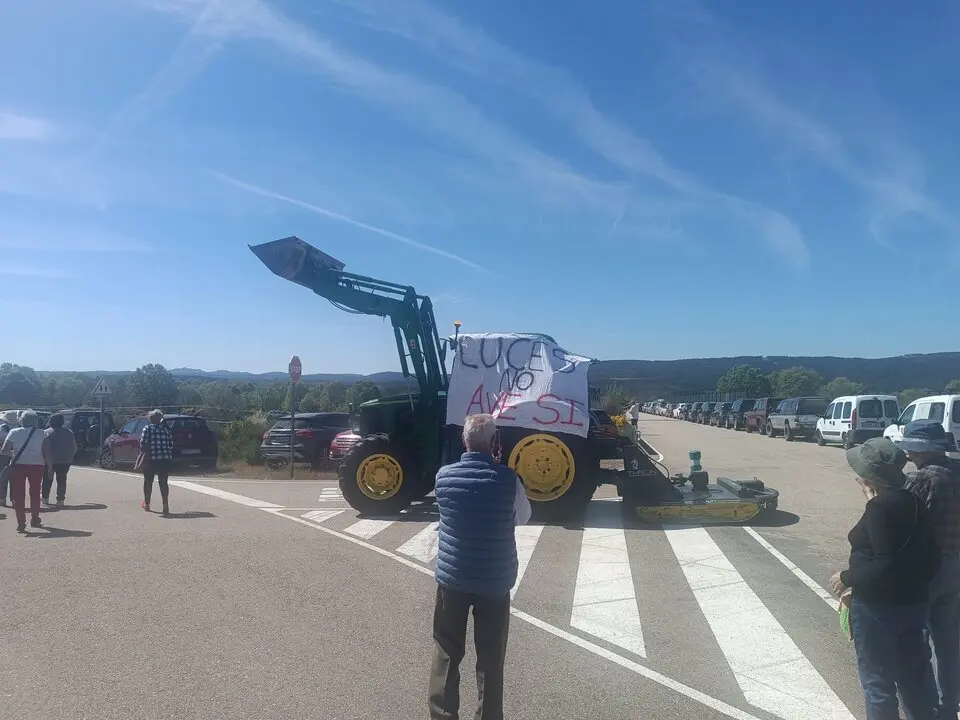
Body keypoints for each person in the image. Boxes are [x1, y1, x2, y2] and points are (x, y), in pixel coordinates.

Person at [429, 413, 532, 720]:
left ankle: (443, 714)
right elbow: (523, 517)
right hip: (494, 581)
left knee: (446, 649)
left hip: (453, 577)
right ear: (494, 442)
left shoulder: (443, 477)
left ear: (465, 440)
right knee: (490, 657)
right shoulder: (508, 480)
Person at [831, 437, 940, 720]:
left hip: (877, 608)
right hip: (913, 604)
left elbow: (884, 561)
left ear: (868, 474)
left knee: (877, 684)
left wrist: (846, 577)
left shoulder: (879, 508)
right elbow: (931, 556)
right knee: (913, 680)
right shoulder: (913, 501)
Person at [902, 419, 960, 720]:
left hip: (928, 569)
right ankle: (949, 706)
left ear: (920, 449)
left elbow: (904, 524)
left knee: (917, 641)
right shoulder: (957, 471)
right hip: (956, 566)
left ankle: (923, 709)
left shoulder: (922, 480)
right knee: (949, 640)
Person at [0, 409, 47, 533]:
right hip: (37, 465)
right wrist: (50, 467)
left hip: (18, 465)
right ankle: (35, 518)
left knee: (18, 494)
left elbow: (4, 451)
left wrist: (15, 453)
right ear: (36, 421)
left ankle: (21, 522)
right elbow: (46, 452)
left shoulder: (13, 432)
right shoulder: (42, 433)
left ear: (21, 420)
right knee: (35, 493)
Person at [139, 409, 175, 516]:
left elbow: (143, 443)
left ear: (150, 419)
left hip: (151, 459)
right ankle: (165, 505)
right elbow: (170, 444)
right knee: (163, 482)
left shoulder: (147, 428)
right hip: (165, 459)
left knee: (148, 481)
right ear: (160, 419)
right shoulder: (165, 430)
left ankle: (147, 504)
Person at [41, 412, 78, 505]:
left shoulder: (46, 433)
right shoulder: (69, 432)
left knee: (47, 479)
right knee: (62, 480)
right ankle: (60, 499)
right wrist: (70, 456)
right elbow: (74, 447)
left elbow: (43, 448)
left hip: (50, 460)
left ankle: (45, 498)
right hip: (65, 460)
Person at [0, 409, 19, 506]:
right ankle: (14, 499)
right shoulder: (19, 429)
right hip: (16, 456)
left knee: (3, 478)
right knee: (14, 478)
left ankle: (2, 499)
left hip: (3, 455)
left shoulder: (2, 428)